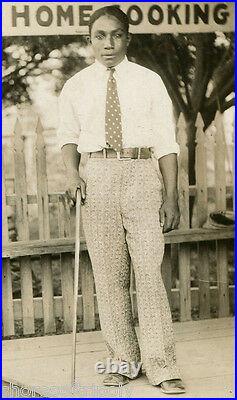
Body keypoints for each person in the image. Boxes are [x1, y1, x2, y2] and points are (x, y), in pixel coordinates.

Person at [57, 5, 186, 395]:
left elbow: (166, 141)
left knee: (148, 272)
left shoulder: (149, 81)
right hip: (96, 176)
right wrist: (72, 173)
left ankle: (162, 366)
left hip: (142, 174)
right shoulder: (76, 85)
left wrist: (172, 195)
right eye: (100, 36)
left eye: (115, 35)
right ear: (90, 40)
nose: (108, 44)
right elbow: (68, 137)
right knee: (110, 277)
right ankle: (121, 363)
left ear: (127, 38)